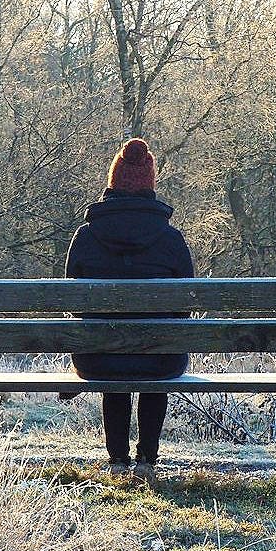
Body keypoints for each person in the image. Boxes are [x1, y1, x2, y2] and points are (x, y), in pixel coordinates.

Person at [63, 138, 194, 482]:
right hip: (160, 359)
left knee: (112, 354)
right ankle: (147, 460)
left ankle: (118, 460)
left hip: (98, 357)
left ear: (112, 184)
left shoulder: (85, 237)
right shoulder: (171, 240)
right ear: (150, 186)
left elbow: (70, 300)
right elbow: (187, 305)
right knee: (156, 350)